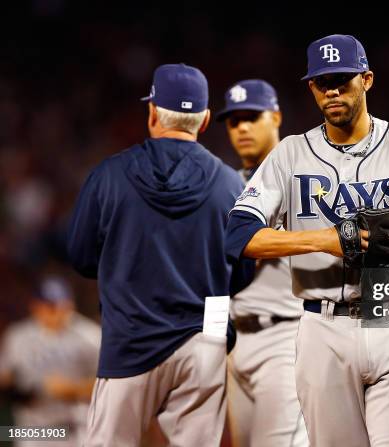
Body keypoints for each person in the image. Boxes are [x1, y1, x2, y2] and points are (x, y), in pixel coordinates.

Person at [225, 34, 389, 446]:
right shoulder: (291, 154)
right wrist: (323, 240)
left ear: (366, 80)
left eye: (342, 79)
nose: (332, 90)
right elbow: (240, 236)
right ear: (311, 88)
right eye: (321, 82)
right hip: (322, 326)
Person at [67, 63, 245, 447]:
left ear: (152, 113)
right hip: (205, 340)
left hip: (130, 340)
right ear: (205, 119)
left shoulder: (109, 175)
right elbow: (243, 272)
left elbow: (80, 256)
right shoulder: (232, 185)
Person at [217, 79, 307, 446]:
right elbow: (214, 277)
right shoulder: (224, 187)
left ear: (276, 117)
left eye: (251, 117)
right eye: (234, 120)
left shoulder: (305, 181)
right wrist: (212, 338)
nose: (242, 128)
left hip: (286, 337)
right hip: (235, 342)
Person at [0, 276, 100, 447]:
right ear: (36, 306)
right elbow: (5, 377)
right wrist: (15, 385)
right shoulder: (18, 336)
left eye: (60, 305)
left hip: (75, 427)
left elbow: (110, 386)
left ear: (70, 304)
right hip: (31, 427)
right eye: (49, 306)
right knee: (6, 432)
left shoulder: (91, 336)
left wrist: (73, 390)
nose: (55, 312)